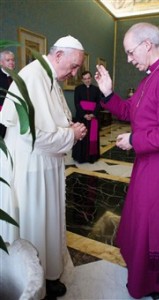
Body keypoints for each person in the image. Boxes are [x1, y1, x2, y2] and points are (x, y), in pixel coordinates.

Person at [95, 22, 159, 300]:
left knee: (157, 225)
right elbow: (129, 111)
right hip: (149, 164)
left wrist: (135, 140)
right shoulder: (153, 76)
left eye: (130, 52)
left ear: (147, 44)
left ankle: (158, 283)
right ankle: (144, 274)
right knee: (143, 222)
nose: (129, 59)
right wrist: (107, 93)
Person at [0, 35, 87, 299]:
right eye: (72, 67)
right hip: (32, 169)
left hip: (46, 166)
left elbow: (55, 120)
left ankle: (49, 274)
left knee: (48, 221)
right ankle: (38, 280)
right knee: (36, 222)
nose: (73, 74)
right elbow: (33, 135)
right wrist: (71, 135)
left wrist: (69, 129)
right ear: (58, 55)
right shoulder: (33, 76)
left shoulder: (48, 76)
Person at [72, 70, 102, 163]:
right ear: (82, 80)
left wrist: (93, 114)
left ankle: (91, 157)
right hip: (82, 117)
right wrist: (84, 115)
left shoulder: (96, 89)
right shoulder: (78, 89)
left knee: (92, 137)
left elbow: (99, 103)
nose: (87, 80)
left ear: (91, 78)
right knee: (82, 136)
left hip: (93, 117)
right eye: (85, 79)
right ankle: (80, 157)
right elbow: (77, 103)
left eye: (88, 78)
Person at [0, 50, 15, 137]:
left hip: (12, 115)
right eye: (8, 60)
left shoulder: (15, 77)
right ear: (1, 62)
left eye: (13, 60)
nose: (11, 62)